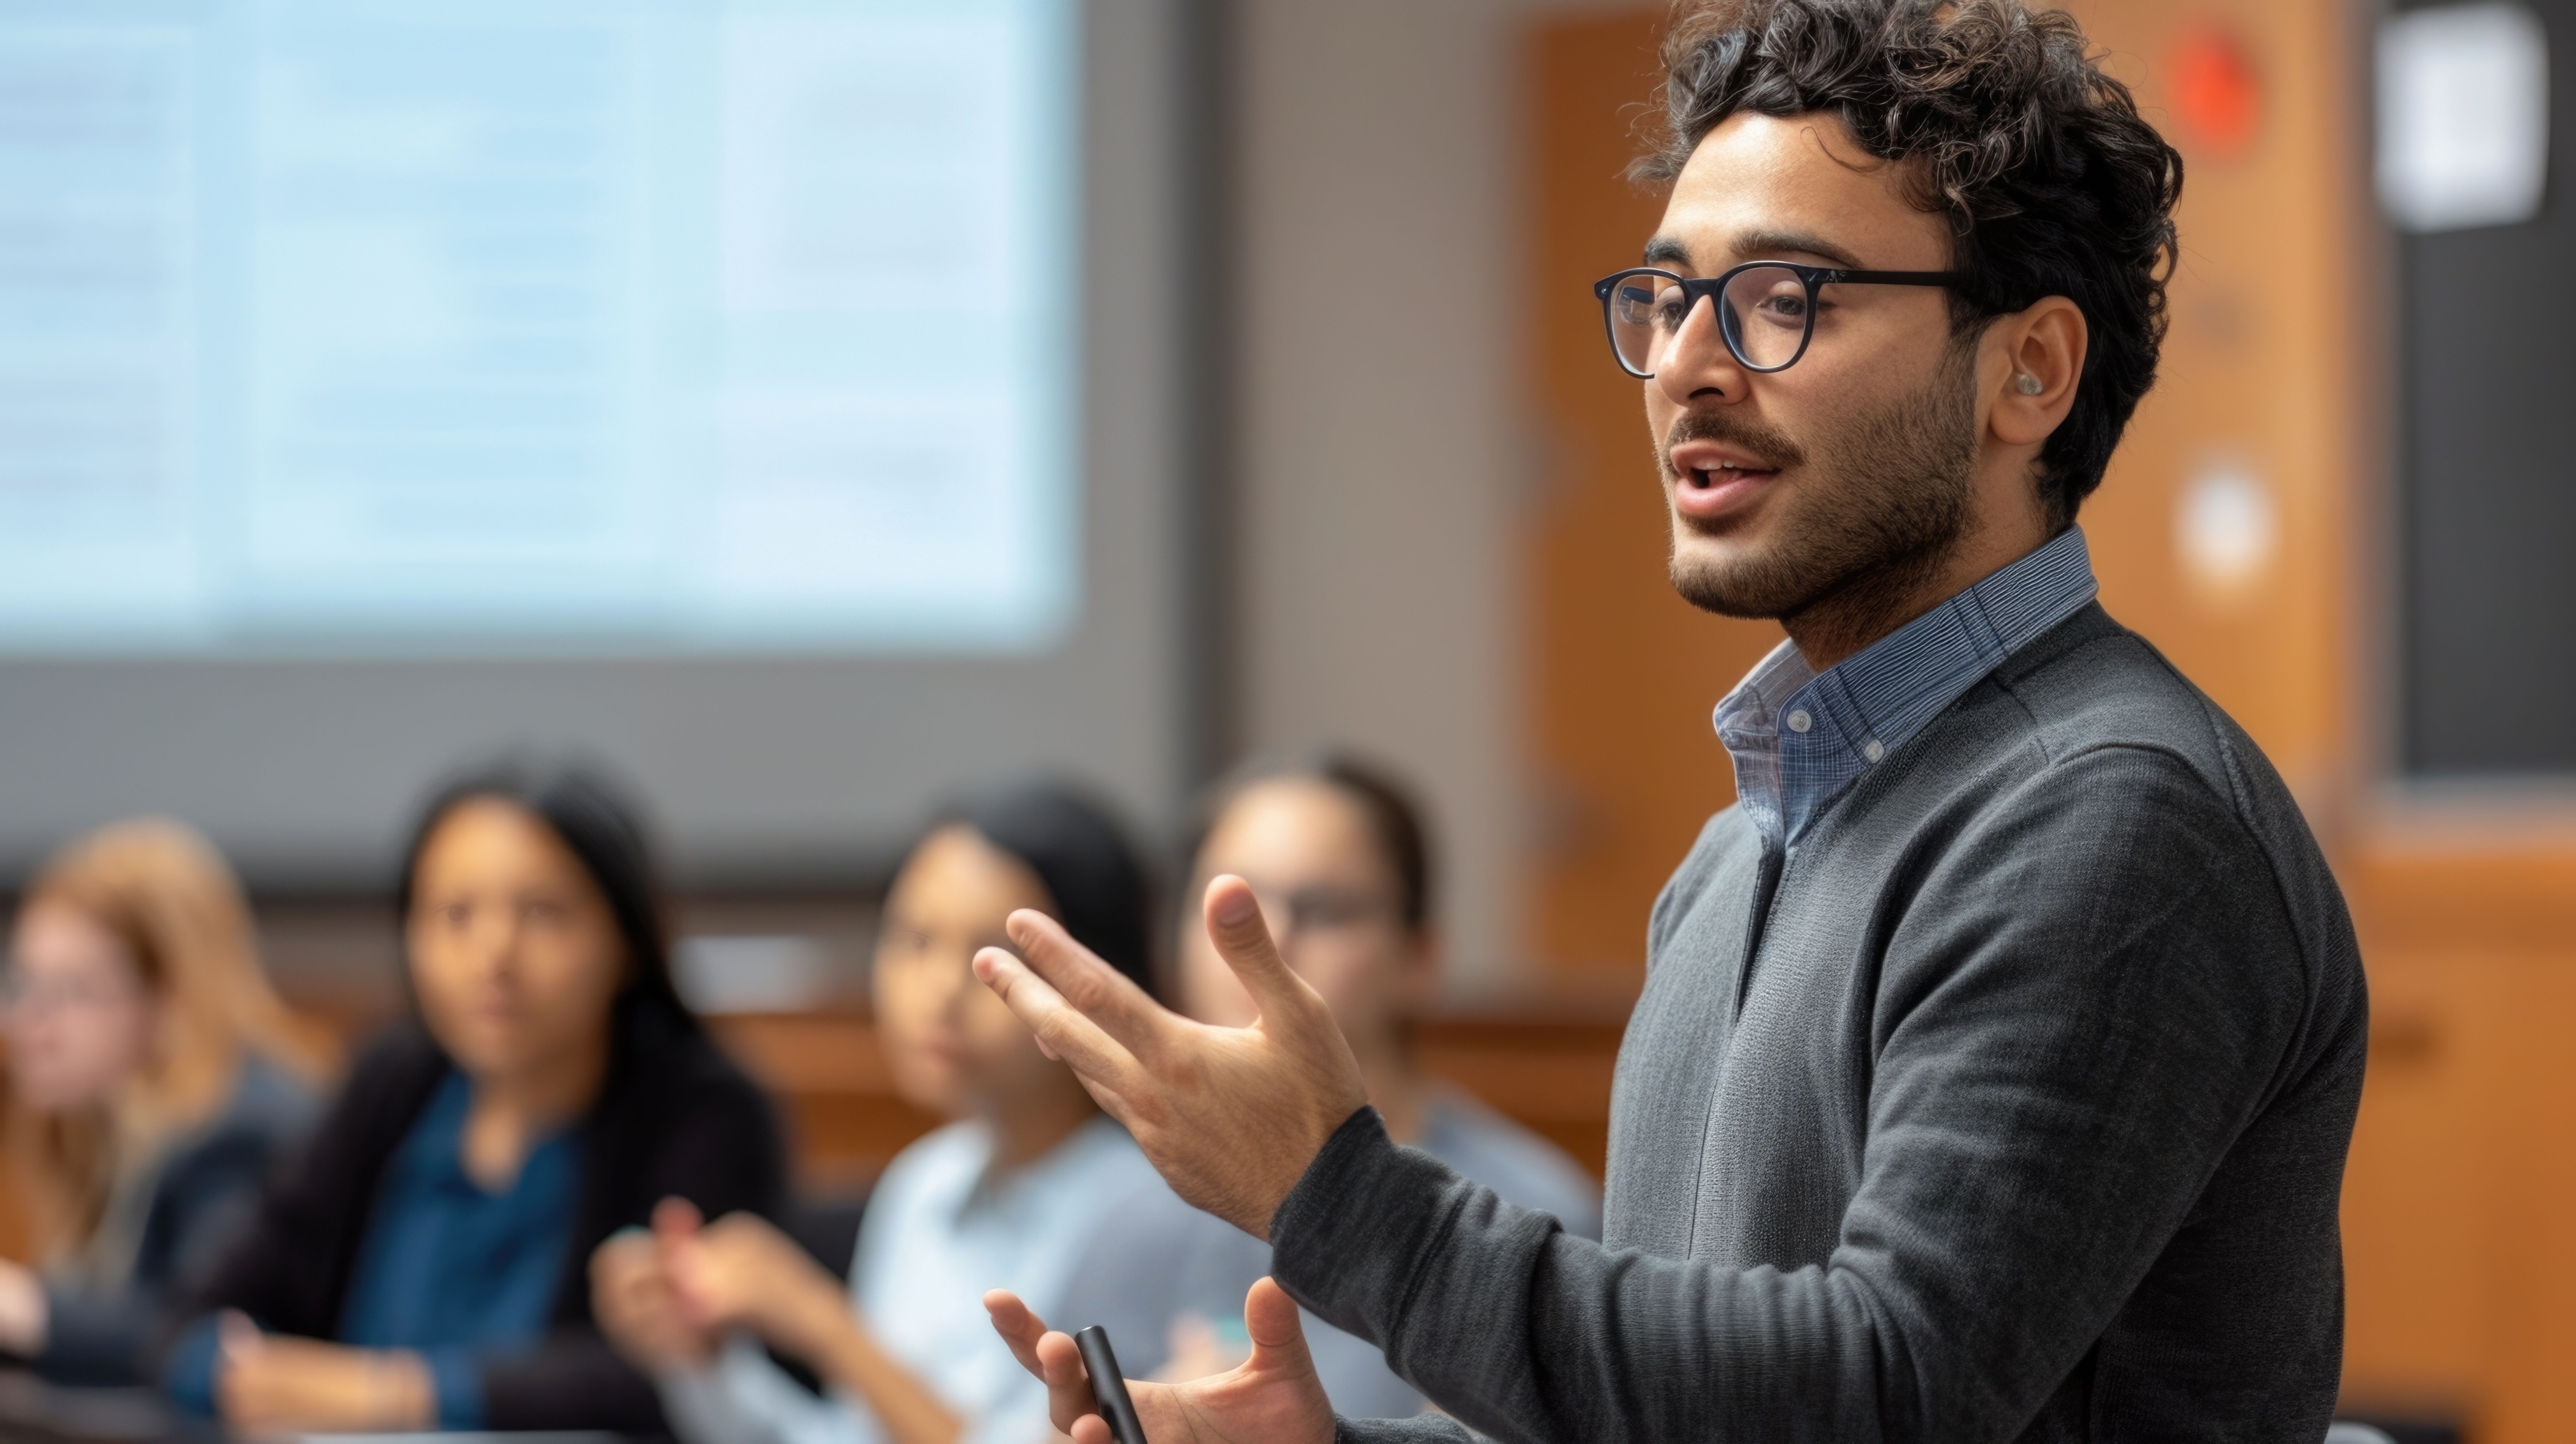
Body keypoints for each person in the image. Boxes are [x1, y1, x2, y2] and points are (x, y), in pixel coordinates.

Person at [973, 1, 2370, 1440]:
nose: (1691, 366)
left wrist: (1341, 1196)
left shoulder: (2114, 814)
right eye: (1665, 299)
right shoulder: (1733, 859)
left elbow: (1883, 1391)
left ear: (2031, 370)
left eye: (1784, 299)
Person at [155, 758, 786, 1435]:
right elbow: (200, 1311)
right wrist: (233, 1375)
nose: (494, 957)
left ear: (627, 940)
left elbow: (666, 1379)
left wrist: (389, 1395)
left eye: (544, 914)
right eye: (454, 916)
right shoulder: (394, 1082)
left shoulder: (706, 1112)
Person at [591, 782, 1165, 1444]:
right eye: (915, 941)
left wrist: (824, 1325)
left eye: (994, 957)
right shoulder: (924, 1181)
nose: (941, 991)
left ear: (1095, 978)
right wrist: (699, 1359)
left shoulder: (1143, 1210)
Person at [1055, 755, 1598, 1419]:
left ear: (1421, 956)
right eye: (1226, 909)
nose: (1267, 939)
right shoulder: (1128, 1215)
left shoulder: (1537, 1214)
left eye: (1323, 909)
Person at [0, 821, 329, 1385]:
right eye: (22, 983)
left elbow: (203, 1338)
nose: (29, 1024)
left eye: (73, 991)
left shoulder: (242, 1133)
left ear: (171, 998)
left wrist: (18, 1307)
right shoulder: (101, 1128)